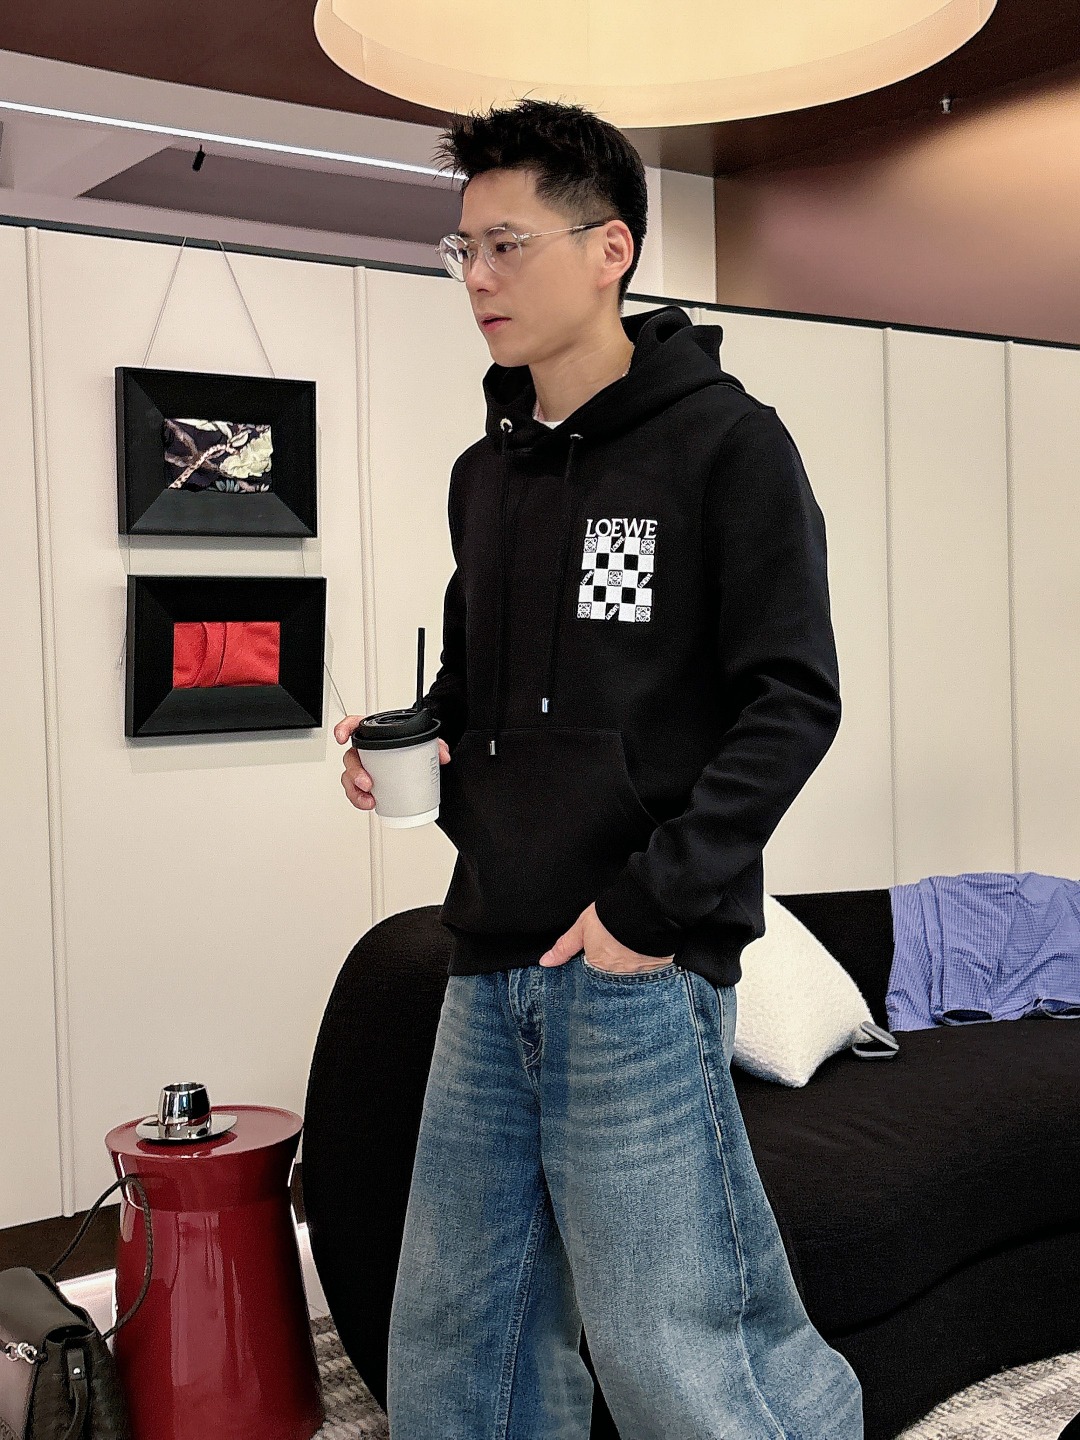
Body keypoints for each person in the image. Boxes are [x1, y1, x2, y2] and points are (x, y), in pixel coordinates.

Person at [335, 96, 863, 1440]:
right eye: (463, 250)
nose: (479, 277)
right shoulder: (485, 474)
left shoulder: (729, 445)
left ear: (610, 247)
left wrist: (652, 905)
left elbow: (793, 701)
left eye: (507, 244)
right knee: (458, 1335)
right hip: (488, 947)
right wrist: (418, 746)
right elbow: (476, 689)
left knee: (673, 1346)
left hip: (635, 956)